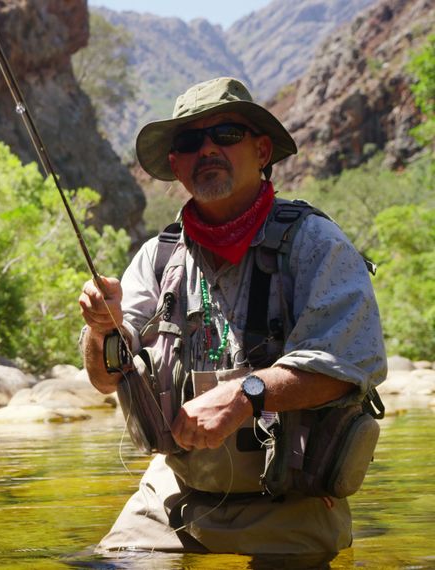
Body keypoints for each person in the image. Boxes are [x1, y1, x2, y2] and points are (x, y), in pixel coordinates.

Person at [78, 77, 387, 556]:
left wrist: (247, 395)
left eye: (225, 134)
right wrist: (101, 329)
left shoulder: (316, 243)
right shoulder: (156, 259)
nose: (207, 150)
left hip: (291, 498)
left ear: (262, 151)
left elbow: (347, 370)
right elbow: (103, 378)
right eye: (189, 142)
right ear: (175, 164)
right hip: (173, 494)